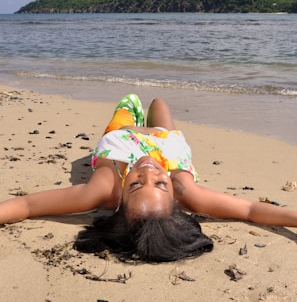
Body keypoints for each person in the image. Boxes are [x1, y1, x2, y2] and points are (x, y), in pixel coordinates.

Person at [0, 94, 297, 262]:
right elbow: (249, 211)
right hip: (166, 142)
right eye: (160, 183)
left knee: (129, 101)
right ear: (174, 196)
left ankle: (131, 112)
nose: (147, 171)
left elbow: (27, 206)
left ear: (120, 200)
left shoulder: (104, 189)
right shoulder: (186, 189)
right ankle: (152, 113)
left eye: (136, 184)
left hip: (123, 138)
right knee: (159, 102)